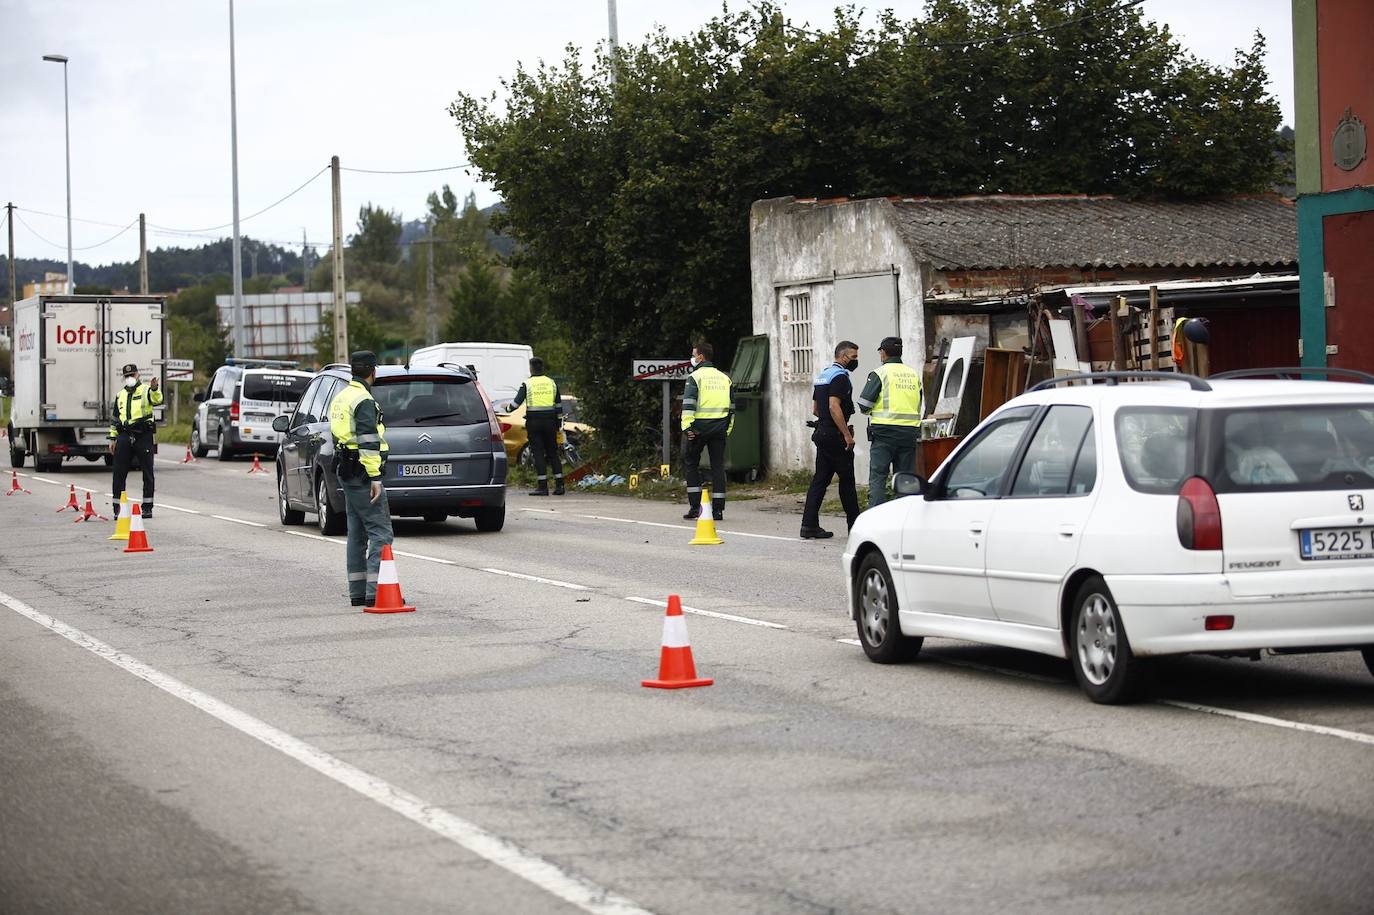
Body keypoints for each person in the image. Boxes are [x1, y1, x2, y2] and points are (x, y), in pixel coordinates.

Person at [328, 351, 393, 607]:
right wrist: (375, 476)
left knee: (356, 533)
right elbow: (368, 441)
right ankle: (376, 592)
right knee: (381, 533)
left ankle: (358, 591)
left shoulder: (341, 396)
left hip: (346, 470)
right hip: (363, 473)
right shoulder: (363, 399)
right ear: (373, 371)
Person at [800, 342, 861, 539]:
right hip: (834, 435)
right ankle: (855, 528)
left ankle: (809, 525)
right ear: (843, 357)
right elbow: (834, 406)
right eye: (853, 357)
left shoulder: (823, 376)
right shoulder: (840, 377)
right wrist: (846, 434)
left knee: (820, 480)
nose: (855, 360)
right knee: (847, 482)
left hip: (822, 433)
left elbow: (816, 410)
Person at [857, 336, 923, 507]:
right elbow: (919, 402)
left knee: (879, 476)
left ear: (883, 353)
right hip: (909, 434)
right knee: (905, 479)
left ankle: (876, 518)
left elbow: (864, 405)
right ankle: (903, 518)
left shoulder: (880, 373)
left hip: (884, 434)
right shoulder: (913, 374)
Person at [681, 342, 734, 521]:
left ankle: (696, 508)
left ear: (700, 357)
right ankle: (718, 510)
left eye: (694, 354)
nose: (692, 358)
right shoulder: (725, 378)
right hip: (719, 428)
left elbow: (689, 405)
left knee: (691, 463)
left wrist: (687, 427)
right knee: (718, 466)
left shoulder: (695, 377)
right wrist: (728, 428)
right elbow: (731, 407)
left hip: (698, 429)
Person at [108, 362, 162, 519]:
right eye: (127, 376)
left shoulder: (146, 390)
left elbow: (157, 400)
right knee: (119, 472)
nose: (129, 378)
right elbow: (115, 419)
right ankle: (118, 508)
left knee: (147, 471)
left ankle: (147, 507)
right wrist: (112, 438)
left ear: (138, 375)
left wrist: (154, 388)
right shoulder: (120, 395)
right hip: (124, 435)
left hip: (143, 435)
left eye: (132, 375)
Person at [512, 357, 565, 496]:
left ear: (531, 368)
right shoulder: (551, 383)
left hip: (534, 422)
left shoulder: (527, 384)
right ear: (542, 368)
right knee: (553, 452)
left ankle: (543, 487)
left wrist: (506, 409)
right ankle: (560, 486)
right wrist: (558, 422)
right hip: (550, 422)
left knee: (538, 453)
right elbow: (559, 405)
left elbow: (515, 404)